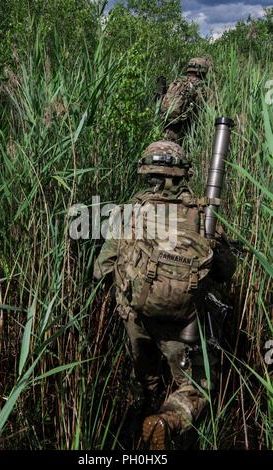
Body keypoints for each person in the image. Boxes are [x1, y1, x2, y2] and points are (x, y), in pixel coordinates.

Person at [93, 140, 236, 450]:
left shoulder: (130, 210)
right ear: (183, 173)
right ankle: (168, 421)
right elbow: (225, 271)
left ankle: (138, 428)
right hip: (182, 323)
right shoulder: (201, 215)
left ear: (147, 172)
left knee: (144, 382)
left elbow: (102, 267)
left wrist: (128, 292)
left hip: (136, 317)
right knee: (196, 387)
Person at [159, 57, 212, 142]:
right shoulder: (203, 88)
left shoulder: (176, 83)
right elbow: (212, 112)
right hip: (189, 133)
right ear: (203, 70)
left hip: (168, 128)